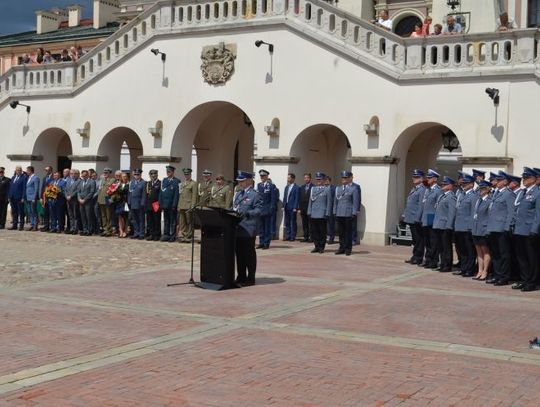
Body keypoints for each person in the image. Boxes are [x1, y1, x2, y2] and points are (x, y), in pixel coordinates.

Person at [511, 167, 540, 292]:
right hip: (519, 230)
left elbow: (538, 214)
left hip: (529, 231)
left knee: (531, 258)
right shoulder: (523, 193)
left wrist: (535, 229)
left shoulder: (537, 193)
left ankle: (532, 282)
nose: (524, 180)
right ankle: (524, 279)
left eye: (526, 178)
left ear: (534, 179)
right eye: (523, 178)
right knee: (521, 257)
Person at [233, 171, 262, 287]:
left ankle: (250, 278)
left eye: (242, 181)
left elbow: (259, 210)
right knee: (239, 254)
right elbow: (234, 208)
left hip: (248, 228)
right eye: (239, 181)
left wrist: (248, 213)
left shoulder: (255, 194)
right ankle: (240, 276)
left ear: (249, 180)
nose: (240, 183)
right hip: (238, 228)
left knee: (248, 254)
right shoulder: (238, 194)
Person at [486, 171, 515, 286]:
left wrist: (507, 227)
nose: (496, 182)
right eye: (496, 180)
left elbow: (511, 213)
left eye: (499, 180)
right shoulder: (495, 193)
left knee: (504, 254)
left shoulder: (509, 194)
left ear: (505, 182)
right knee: (496, 253)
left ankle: (504, 276)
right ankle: (497, 274)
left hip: (502, 228)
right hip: (493, 227)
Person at [453, 173, 477, 277]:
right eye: (463, 183)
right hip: (459, 226)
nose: (463, 185)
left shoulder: (473, 196)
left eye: (466, 183)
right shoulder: (462, 194)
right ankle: (463, 268)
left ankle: (469, 269)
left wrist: (471, 227)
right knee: (461, 249)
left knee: (469, 250)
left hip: (467, 227)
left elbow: (473, 213)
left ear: (471, 184)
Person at [432, 176, 457, 272]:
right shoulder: (442, 195)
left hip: (445, 225)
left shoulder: (451, 197)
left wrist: (449, 226)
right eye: (442, 184)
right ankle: (442, 263)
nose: (443, 185)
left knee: (446, 246)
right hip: (438, 224)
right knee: (440, 246)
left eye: (445, 184)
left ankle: (447, 265)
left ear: (450, 186)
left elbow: (452, 213)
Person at [420, 169, 442, 269]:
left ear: (435, 179)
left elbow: (438, 206)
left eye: (429, 178)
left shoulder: (437, 190)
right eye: (427, 177)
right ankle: (428, 258)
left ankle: (434, 260)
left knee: (433, 240)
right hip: (426, 217)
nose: (427, 179)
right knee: (427, 240)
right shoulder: (428, 190)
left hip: (432, 217)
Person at [334, 171, 360, 256]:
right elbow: (335, 202)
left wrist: (354, 212)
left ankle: (348, 249)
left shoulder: (353, 188)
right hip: (339, 212)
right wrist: (335, 211)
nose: (344, 179)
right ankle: (341, 248)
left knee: (348, 232)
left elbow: (355, 202)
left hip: (348, 213)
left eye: (345, 178)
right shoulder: (338, 188)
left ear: (349, 178)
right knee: (341, 232)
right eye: (343, 178)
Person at [403, 169, 426, 265]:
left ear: (421, 179)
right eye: (413, 177)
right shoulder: (415, 188)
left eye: (416, 177)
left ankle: (418, 257)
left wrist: (418, 217)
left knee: (419, 239)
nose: (414, 179)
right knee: (415, 239)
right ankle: (415, 256)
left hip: (416, 218)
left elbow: (421, 205)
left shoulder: (422, 189)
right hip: (411, 218)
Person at [471, 180, 492, 281]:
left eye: (483, 189)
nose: (480, 191)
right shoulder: (478, 200)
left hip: (484, 228)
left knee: (485, 251)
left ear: (488, 189)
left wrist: (487, 228)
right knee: (478, 251)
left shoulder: (489, 201)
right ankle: (480, 270)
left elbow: (489, 216)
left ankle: (485, 271)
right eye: (480, 189)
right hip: (476, 228)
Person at [307, 172, 332, 253]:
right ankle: (316, 246)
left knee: (322, 232)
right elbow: (310, 201)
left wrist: (327, 213)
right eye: (317, 179)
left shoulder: (327, 189)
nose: (318, 181)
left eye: (320, 179)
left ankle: (321, 247)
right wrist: (309, 211)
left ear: (324, 180)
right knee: (314, 231)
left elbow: (329, 202)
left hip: (322, 213)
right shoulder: (313, 189)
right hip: (313, 213)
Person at [256, 169, 277, 250]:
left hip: (267, 209)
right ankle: (261, 242)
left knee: (267, 227)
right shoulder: (259, 185)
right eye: (261, 176)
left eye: (263, 176)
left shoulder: (271, 186)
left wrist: (271, 208)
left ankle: (266, 243)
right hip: (260, 209)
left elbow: (273, 198)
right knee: (261, 227)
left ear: (267, 176)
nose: (262, 177)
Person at [159, 165, 180, 242]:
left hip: (171, 205)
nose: (168, 173)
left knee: (173, 221)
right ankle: (166, 234)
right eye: (167, 171)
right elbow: (161, 193)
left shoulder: (176, 181)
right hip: (165, 204)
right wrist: (160, 203)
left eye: (169, 171)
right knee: (166, 221)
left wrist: (174, 204)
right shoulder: (164, 180)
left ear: (173, 172)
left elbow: (176, 194)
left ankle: (173, 235)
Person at [177, 168, 198, 243]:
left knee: (189, 221)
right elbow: (180, 195)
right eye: (185, 174)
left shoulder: (193, 183)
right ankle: (183, 235)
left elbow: (194, 195)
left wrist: (193, 205)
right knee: (182, 222)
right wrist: (179, 205)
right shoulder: (182, 184)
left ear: (190, 174)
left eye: (188, 174)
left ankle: (189, 236)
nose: (186, 176)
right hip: (182, 205)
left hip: (189, 205)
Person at [128, 169, 146, 239]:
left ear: (140, 175)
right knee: (134, 219)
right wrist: (129, 201)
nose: (136, 176)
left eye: (138, 174)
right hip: (132, 203)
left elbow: (144, 194)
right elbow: (129, 193)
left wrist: (142, 203)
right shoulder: (132, 182)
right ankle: (136, 232)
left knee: (141, 219)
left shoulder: (143, 183)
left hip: (139, 203)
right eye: (135, 174)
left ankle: (141, 233)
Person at [97, 168, 115, 237]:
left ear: (110, 173)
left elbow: (114, 191)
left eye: (107, 173)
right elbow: (99, 189)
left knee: (108, 216)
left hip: (108, 199)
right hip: (101, 199)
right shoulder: (102, 180)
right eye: (104, 173)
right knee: (103, 216)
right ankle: (105, 229)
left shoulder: (112, 180)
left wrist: (111, 200)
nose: (105, 174)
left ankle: (109, 230)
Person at [77, 170, 96, 236]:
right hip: (81, 201)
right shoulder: (80, 182)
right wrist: (79, 199)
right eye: (82, 176)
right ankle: (85, 229)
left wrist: (85, 199)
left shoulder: (92, 182)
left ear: (88, 175)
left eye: (85, 176)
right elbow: (78, 191)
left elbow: (92, 192)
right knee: (83, 216)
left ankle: (89, 230)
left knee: (88, 216)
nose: (83, 177)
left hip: (88, 202)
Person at [8, 166, 27, 230]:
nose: (17, 171)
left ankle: (21, 226)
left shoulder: (24, 178)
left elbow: (24, 188)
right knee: (14, 212)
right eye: (16, 170)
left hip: (19, 197)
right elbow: (10, 187)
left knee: (21, 212)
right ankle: (14, 225)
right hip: (12, 197)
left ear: (21, 171)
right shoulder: (13, 177)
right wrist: (9, 196)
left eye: (19, 170)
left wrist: (23, 197)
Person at [282, 173, 299, 242]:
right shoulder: (287, 187)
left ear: (293, 179)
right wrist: (283, 205)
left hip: (292, 207)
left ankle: (293, 236)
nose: (288, 179)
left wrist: (295, 207)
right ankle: (288, 236)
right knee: (287, 222)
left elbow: (297, 198)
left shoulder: (297, 187)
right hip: (286, 207)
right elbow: (285, 197)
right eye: (287, 178)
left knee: (293, 222)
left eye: (289, 178)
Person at [145, 169, 161, 241]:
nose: (153, 175)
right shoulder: (148, 183)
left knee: (156, 220)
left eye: (154, 174)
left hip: (156, 204)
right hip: (149, 204)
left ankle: (157, 235)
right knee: (150, 220)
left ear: (157, 175)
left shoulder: (160, 183)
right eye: (151, 174)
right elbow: (146, 194)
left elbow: (160, 195)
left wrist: (160, 204)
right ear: (150, 175)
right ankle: (151, 234)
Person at [64, 169, 81, 235]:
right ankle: (71, 228)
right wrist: (66, 196)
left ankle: (75, 229)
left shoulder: (79, 181)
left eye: (74, 173)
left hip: (74, 200)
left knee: (75, 215)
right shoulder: (68, 180)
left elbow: (77, 190)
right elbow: (65, 189)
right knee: (70, 215)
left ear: (77, 174)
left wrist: (71, 196)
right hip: (68, 200)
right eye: (71, 173)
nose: (73, 175)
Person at [24, 166, 40, 231]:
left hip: (32, 197)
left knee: (34, 211)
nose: (27, 172)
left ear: (30, 171)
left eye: (27, 171)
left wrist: (34, 197)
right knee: (30, 211)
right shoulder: (29, 178)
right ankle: (32, 224)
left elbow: (36, 188)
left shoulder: (35, 178)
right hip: (28, 197)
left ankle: (35, 225)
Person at [115, 172, 130, 238]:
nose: (124, 177)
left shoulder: (129, 184)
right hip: (119, 202)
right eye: (123, 176)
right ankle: (120, 231)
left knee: (125, 217)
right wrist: (117, 186)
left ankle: (125, 231)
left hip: (126, 202)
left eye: (125, 176)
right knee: (120, 217)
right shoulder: (119, 184)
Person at [299, 173, 313, 242]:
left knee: (311, 223)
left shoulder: (313, 187)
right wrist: (299, 208)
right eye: (305, 178)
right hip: (303, 208)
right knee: (304, 223)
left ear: (310, 178)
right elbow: (300, 198)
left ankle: (312, 237)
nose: (306, 179)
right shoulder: (302, 187)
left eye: (307, 178)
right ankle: (305, 236)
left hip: (310, 208)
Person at [40, 166, 54, 231]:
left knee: (51, 213)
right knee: (46, 212)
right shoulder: (45, 178)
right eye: (45, 170)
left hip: (51, 197)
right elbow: (42, 188)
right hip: (45, 197)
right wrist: (41, 197)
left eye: (47, 170)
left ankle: (52, 226)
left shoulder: (54, 177)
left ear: (50, 170)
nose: (46, 171)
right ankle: (46, 226)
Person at [350, 174, 362, 245]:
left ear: (352, 177)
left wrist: (357, 209)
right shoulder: (344, 187)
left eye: (349, 177)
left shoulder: (356, 186)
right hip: (345, 209)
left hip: (353, 208)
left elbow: (358, 198)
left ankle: (353, 239)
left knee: (353, 225)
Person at [325, 176, 336, 244]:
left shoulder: (334, 188)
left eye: (327, 181)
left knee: (331, 225)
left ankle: (331, 238)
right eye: (325, 181)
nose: (326, 182)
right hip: (323, 209)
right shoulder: (322, 188)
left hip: (330, 209)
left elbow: (334, 199)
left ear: (330, 181)